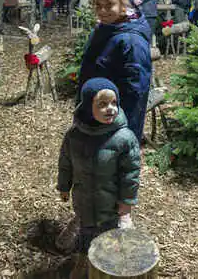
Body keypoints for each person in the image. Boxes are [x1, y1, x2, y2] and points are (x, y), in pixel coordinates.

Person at [57, 78, 140, 277]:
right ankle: (84, 261)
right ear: (87, 107)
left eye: (113, 103)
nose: (110, 109)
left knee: (109, 235)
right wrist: (63, 186)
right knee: (86, 232)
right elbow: (65, 162)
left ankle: (109, 266)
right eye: (101, 105)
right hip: (83, 199)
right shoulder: (74, 136)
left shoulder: (124, 138)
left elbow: (130, 174)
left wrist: (126, 203)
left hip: (109, 204)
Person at [78, 0, 153, 143]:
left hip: (114, 123)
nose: (102, 11)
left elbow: (135, 92)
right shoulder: (105, 28)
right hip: (94, 116)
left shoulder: (131, 41)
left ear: (123, 4)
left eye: (109, 5)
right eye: (98, 6)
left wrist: (123, 134)